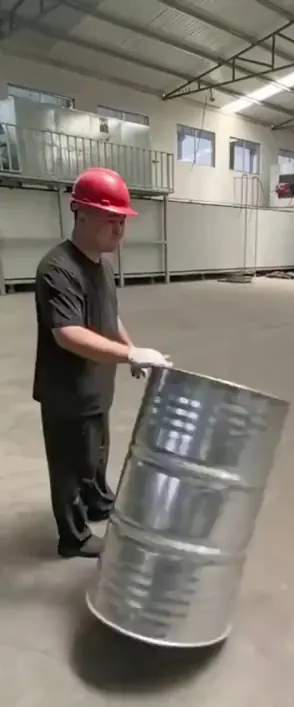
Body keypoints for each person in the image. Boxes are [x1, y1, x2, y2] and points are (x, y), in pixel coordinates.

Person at [33, 167, 171, 559]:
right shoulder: (57, 269)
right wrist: (127, 354)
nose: (119, 231)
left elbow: (108, 316)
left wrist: (131, 348)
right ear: (81, 214)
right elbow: (68, 333)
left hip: (95, 385)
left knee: (95, 455)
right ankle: (72, 538)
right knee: (69, 466)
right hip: (66, 391)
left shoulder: (101, 266)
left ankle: (97, 503)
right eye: (111, 221)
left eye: (122, 222)